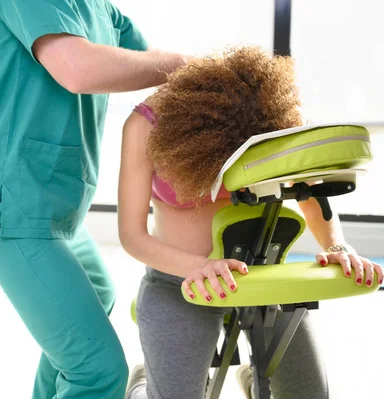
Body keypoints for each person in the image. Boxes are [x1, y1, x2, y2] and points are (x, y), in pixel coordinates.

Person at [0, 1, 193, 398]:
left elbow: (144, 62)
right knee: (97, 371)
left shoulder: (100, 8)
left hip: (55, 206)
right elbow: (78, 69)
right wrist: (185, 63)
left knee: (99, 293)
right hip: (9, 201)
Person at [117, 46, 382, 399]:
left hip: (262, 272)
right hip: (179, 283)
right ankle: (141, 387)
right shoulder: (145, 125)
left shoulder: (270, 116)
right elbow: (131, 235)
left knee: (310, 394)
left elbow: (313, 195)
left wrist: (336, 247)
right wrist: (201, 267)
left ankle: (254, 383)